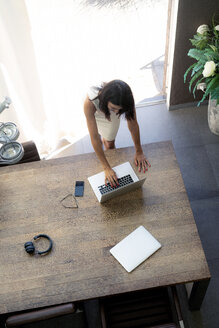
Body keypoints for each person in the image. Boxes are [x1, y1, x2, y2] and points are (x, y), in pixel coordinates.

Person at [84, 79, 151, 187]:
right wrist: (106, 168)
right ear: (106, 100)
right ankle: (107, 161)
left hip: (109, 108)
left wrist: (139, 151)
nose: (117, 113)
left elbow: (133, 125)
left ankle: (107, 143)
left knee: (109, 143)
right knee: (101, 138)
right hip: (97, 110)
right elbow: (94, 137)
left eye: (120, 110)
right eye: (114, 108)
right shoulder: (89, 102)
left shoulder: (125, 100)